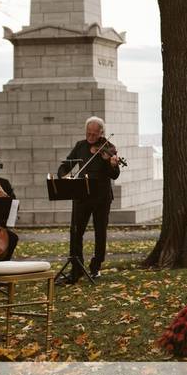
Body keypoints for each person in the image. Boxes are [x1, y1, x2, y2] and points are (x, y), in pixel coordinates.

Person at [57, 116, 121, 283]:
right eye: (88, 133)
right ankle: (77, 268)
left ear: (101, 133)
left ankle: (96, 266)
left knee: (100, 232)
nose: (91, 137)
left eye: (94, 134)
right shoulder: (80, 146)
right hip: (82, 195)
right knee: (76, 231)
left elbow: (114, 175)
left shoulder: (109, 148)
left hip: (101, 197)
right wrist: (63, 174)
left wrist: (113, 164)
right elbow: (66, 164)